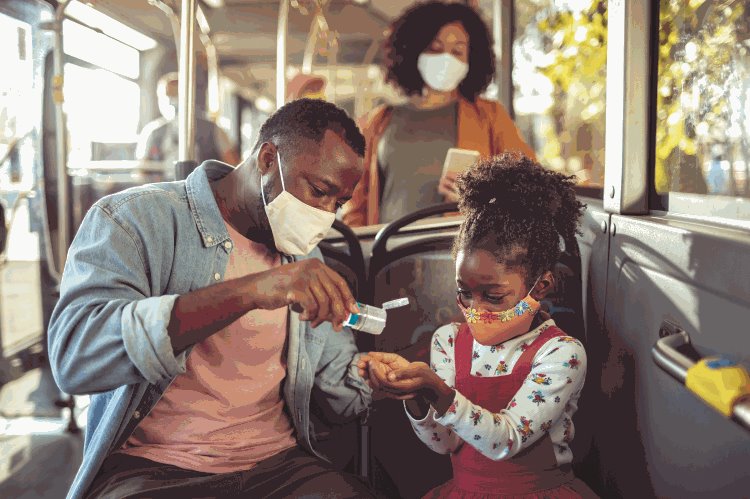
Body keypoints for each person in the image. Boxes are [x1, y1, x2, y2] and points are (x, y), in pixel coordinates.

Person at [48, 98, 377, 499]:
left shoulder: (305, 256)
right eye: (320, 191)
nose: (325, 214)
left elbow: (334, 377)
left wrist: (371, 372)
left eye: (338, 204)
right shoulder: (136, 220)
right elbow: (75, 356)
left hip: (276, 465)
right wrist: (251, 291)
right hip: (155, 466)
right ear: (268, 159)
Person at [360, 153, 597, 498]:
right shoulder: (448, 341)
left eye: (493, 296)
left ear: (541, 287)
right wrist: (416, 398)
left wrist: (439, 391)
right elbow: (444, 443)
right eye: (464, 294)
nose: (475, 309)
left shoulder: (562, 353)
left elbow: (507, 440)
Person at [342, 1, 536, 227]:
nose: (446, 59)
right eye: (435, 49)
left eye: (458, 51)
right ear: (413, 51)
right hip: (388, 252)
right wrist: (361, 253)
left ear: (471, 59)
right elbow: (355, 204)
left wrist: (480, 194)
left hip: (459, 252)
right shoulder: (379, 121)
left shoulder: (490, 117)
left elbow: (530, 184)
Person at [136, 72, 241, 167]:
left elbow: (232, 164)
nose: (171, 101)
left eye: (176, 95)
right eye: (168, 96)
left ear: (189, 98)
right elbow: (142, 170)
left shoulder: (213, 130)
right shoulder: (152, 132)